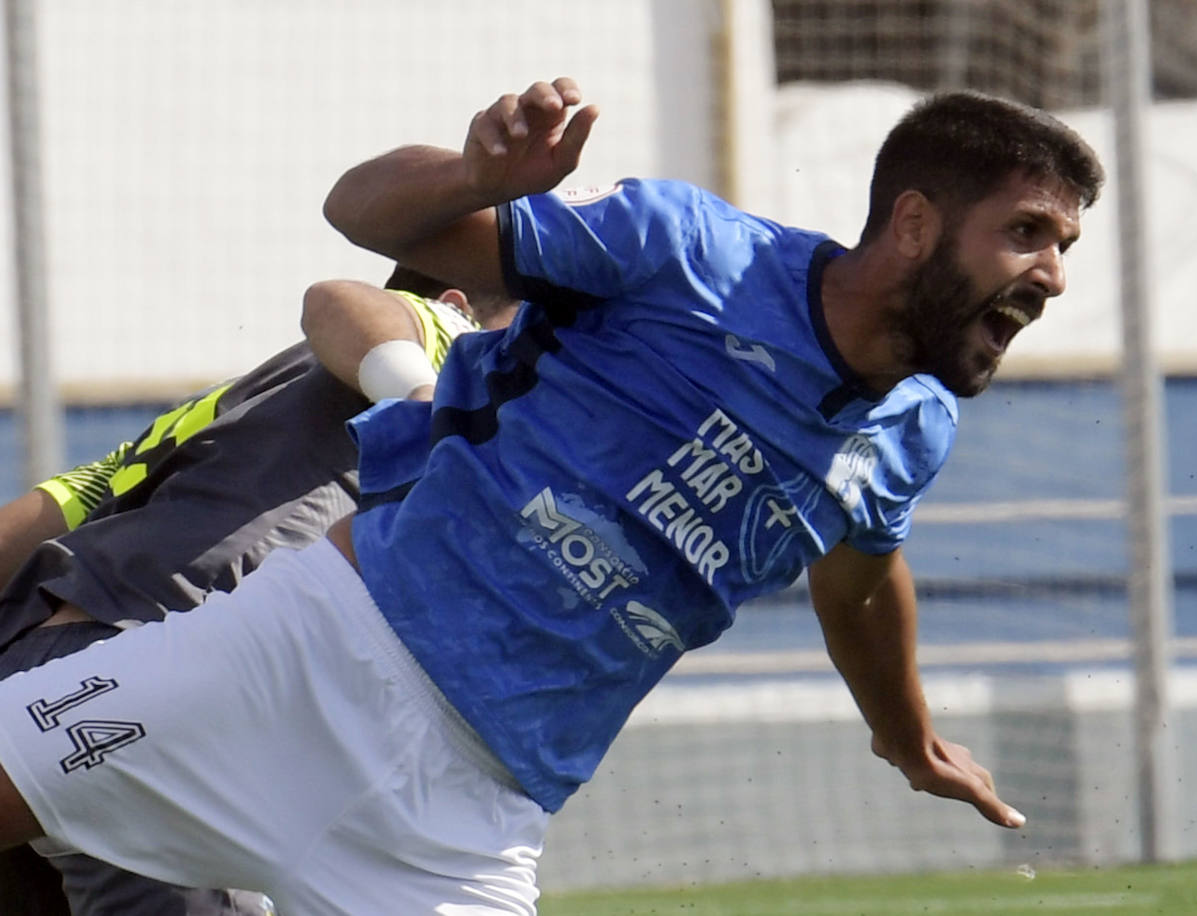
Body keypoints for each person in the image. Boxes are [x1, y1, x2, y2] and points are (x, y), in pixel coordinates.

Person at [0, 77, 1103, 914]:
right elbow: (362, 214)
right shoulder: (692, 253)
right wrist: (477, 177)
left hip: (462, 825)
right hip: (298, 654)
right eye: (1026, 233)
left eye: (1062, 246)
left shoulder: (915, 430)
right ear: (913, 224)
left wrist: (907, 737)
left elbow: (860, 581)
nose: (1052, 275)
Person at [0, 273, 513, 915]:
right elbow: (344, 299)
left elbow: (38, 520)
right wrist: (424, 397)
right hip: (146, 681)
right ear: (453, 302)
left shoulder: (226, 417)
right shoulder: (450, 348)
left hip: (45, 676)